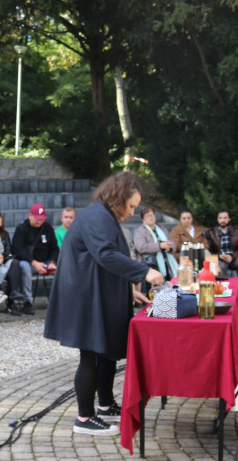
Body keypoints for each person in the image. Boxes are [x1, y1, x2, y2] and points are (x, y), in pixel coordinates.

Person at [43, 173, 164, 435]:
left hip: (95, 293)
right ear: (118, 198)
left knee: (106, 351)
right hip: (84, 297)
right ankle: (84, 419)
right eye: (131, 206)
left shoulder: (103, 215)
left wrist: (128, 289)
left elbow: (104, 259)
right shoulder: (97, 216)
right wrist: (143, 272)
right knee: (91, 354)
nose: (132, 212)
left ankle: (106, 405)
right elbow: (106, 254)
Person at [12, 203, 59, 313]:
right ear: (30, 215)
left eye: (42, 219)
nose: (39, 221)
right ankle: (27, 302)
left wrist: (52, 262)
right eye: (37, 218)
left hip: (46, 261)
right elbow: (19, 249)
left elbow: (54, 248)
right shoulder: (22, 228)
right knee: (23, 266)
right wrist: (34, 263)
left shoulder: (47, 228)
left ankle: (60, 300)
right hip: (29, 262)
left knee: (63, 267)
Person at [204, 209, 238, 304]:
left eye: (225, 218)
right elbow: (209, 250)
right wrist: (219, 256)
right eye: (220, 218)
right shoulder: (211, 233)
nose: (222, 220)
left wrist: (232, 256)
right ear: (217, 219)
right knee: (221, 267)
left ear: (229, 219)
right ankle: (228, 293)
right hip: (220, 258)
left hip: (234, 257)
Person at [133, 207, 178, 282]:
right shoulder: (140, 231)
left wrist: (169, 247)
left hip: (167, 262)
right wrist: (160, 246)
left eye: (152, 215)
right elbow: (141, 247)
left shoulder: (161, 228)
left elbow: (172, 242)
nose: (151, 218)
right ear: (142, 220)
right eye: (147, 216)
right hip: (151, 265)